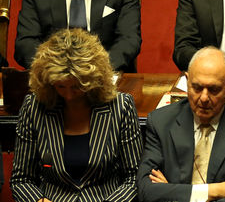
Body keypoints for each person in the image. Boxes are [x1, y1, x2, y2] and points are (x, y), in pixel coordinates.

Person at [10, 28, 142, 202]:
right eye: (61, 87)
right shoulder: (34, 107)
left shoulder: (121, 106)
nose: (69, 96)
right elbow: (21, 179)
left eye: (76, 87)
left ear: (94, 80)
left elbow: (134, 178)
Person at [138, 47, 225, 202]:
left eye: (214, 89)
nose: (204, 98)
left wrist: (172, 192)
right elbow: (146, 191)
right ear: (187, 81)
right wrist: (213, 191)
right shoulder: (161, 122)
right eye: (197, 88)